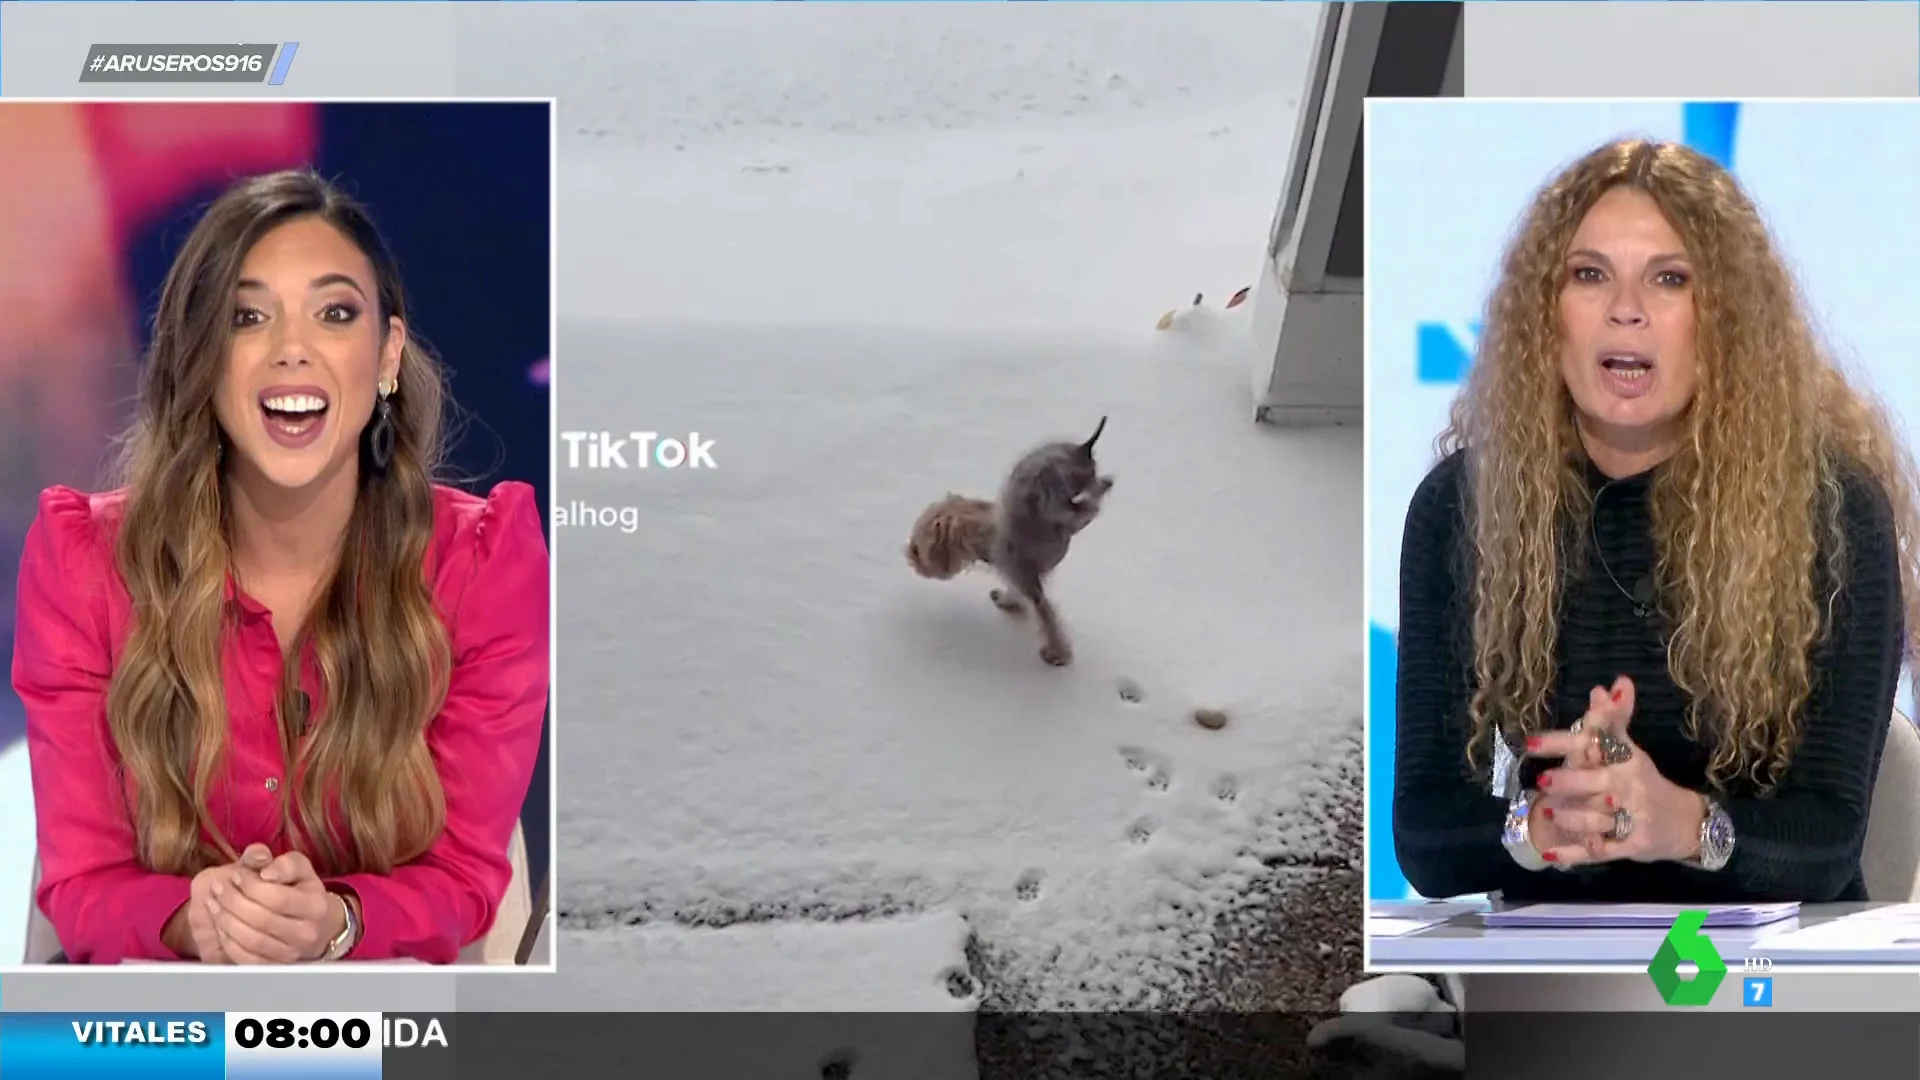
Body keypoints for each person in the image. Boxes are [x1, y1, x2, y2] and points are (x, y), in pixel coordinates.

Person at [11, 168, 550, 963]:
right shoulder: (85, 565)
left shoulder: (483, 564)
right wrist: (196, 920)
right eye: (247, 317)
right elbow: (80, 886)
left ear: (388, 354)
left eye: (334, 313)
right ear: (202, 358)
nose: (292, 349)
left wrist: (336, 923)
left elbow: (465, 878)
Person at [1392, 138, 1918, 904]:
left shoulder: (1832, 510)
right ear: (1546, 316)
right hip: (1559, 972)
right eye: (1590, 274)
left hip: (1768, 969)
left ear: (1726, 323)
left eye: (1670, 279)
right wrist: (1541, 830)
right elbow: (1426, 835)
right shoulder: (1462, 508)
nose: (1626, 309)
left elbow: (1827, 844)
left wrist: (1682, 825)